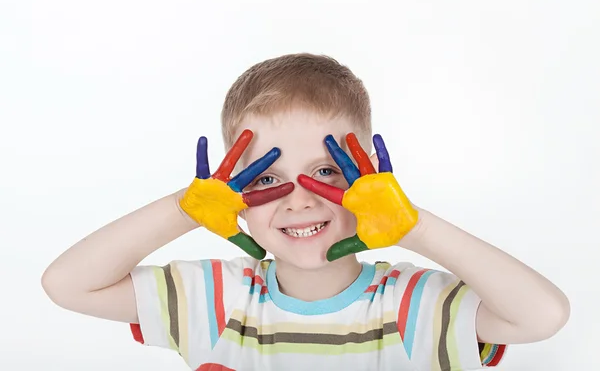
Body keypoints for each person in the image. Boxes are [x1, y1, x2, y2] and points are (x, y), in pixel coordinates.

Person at [42, 53, 570, 371]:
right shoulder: (215, 300)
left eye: (329, 172)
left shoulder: (413, 306)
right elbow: (67, 284)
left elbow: (543, 316)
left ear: (373, 182)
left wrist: (416, 227)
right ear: (233, 196)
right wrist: (184, 210)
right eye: (265, 179)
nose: (299, 199)